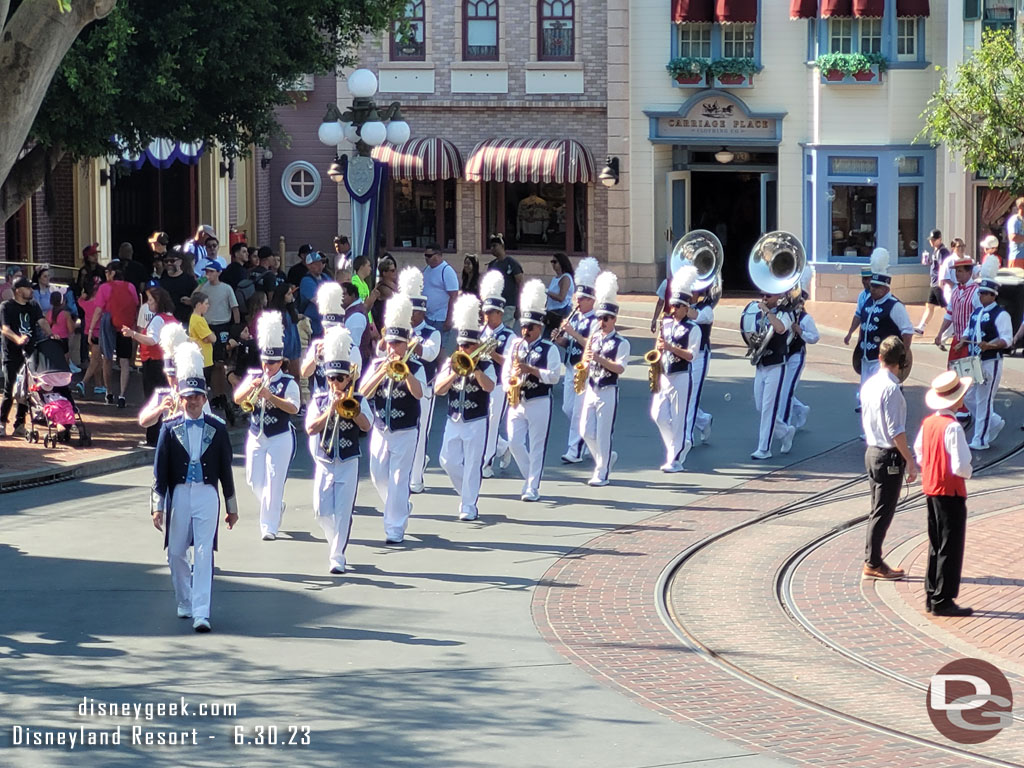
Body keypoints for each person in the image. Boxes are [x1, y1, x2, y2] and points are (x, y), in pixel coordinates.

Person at [152, 341, 238, 633]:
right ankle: (185, 599)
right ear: (181, 396)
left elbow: (226, 469)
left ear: (204, 397)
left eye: (197, 397)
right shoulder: (169, 427)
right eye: (188, 397)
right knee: (175, 552)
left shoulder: (218, 427)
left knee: (204, 552)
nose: (192, 402)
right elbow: (159, 471)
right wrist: (158, 505)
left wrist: (231, 507)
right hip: (179, 493)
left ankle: (203, 611)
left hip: (207, 494)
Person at [360, 293, 426, 544]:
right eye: (389, 343)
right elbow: (364, 392)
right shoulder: (378, 363)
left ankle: (394, 528)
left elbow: (419, 393)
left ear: (406, 344)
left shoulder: (415, 366)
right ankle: (398, 505)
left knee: (399, 478)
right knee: (378, 474)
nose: (392, 348)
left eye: (397, 344)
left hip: (406, 429)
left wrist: (405, 371)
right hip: (380, 427)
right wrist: (380, 372)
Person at [305, 326, 371, 574]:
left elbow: (367, 426)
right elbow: (311, 428)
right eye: (331, 378)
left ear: (349, 379)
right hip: (324, 460)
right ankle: (336, 542)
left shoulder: (359, 400)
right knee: (321, 511)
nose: (334, 383)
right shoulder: (319, 401)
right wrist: (330, 410)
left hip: (348, 461)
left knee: (343, 511)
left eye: (339, 378)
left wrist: (349, 410)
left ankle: (337, 555)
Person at [233, 311, 300, 541]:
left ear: (280, 362)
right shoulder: (255, 376)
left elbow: (294, 408)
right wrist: (251, 387)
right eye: (265, 361)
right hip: (256, 433)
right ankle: (274, 506)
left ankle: (269, 526)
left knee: (273, 480)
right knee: (253, 480)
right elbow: (237, 399)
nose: (267, 365)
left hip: (280, 435)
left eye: (272, 362)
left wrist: (270, 396)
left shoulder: (288, 382)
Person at [913, 370, 975, 617]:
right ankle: (943, 598)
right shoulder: (953, 428)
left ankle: (932, 592)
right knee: (951, 544)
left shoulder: (929, 423)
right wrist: (968, 472)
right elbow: (961, 465)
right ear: (957, 400)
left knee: (936, 542)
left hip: (931, 487)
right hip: (950, 490)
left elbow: (919, 451)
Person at [434, 295, 496, 521]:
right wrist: (453, 373)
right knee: (446, 460)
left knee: (472, 464)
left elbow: (490, 387)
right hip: (454, 418)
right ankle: (468, 493)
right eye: (461, 345)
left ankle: (469, 504)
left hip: (476, 419)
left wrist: (476, 370)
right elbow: (438, 390)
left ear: (477, 345)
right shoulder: (452, 363)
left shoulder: (486, 363)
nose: (463, 348)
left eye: (468, 345)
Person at [860, 336, 916, 581]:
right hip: (888, 455)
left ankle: (873, 558)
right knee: (884, 511)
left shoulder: (870, 383)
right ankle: (873, 562)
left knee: (877, 509)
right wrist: (910, 460)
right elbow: (897, 431)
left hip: (871, 450)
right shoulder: (892, 389)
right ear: (902, 362)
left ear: (880, 358)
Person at [504, 279, 563, 502]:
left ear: (540, 327)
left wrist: (532, 370)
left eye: (530, 327)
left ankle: (532, 487)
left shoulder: (549, 349)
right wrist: (511, 380)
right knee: (514, 442)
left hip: (539, 400)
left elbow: (554, 376)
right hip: (517, 400)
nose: (525, 330)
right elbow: (507, 370)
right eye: (523, 326)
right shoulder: (515, 345)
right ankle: (531, 477)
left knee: (537, 445)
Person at [579, 272, 630, 487]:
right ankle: (605, 459)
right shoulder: (594, 338)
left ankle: (602, 471)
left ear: (614, 319)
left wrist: (599, 358)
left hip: (608, 389)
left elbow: (619, 368)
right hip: (591, 387)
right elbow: (585, 360)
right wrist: (584, 365)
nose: (602, 322)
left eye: (606, 318)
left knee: (602, 433)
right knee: (584, 430)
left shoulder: (621, 342)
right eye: (600, 318)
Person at [650, 266, 701, 473]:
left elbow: (691, 355)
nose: (673, 309)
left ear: (686, 306)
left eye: (678, 305)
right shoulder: (667, 323)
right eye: (673, 304)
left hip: (681, 375)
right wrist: (657, 355)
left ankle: (675, 459)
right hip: (664, 374)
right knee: (658, 414)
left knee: (679, 419)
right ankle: (677, 446)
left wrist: (671, 347)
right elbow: (659, 346)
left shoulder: (693, 329)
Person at [398, 267, 441, 494]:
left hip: (424, 387)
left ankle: (416, 478)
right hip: (400, 386)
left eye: (411, 312)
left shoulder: (431, 332)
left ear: (420, 312)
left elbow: (431, 354)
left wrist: (414, 343)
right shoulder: (398, 332)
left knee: (420, 430)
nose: (408, 316)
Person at [553, 256, 599, 464]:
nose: (577, 303)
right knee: (568, 408)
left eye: (582, 299)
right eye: (577, 299)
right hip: (570, 366)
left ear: (591, 300)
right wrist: (560, 339)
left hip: (585, 369)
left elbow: (590, 343)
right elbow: (570, 343)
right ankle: (592, 438)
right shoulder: (576, 318)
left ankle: (574, 450)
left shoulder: (596, 320)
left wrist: (572, 331)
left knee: (579, 411)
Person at [962, 256, 1010, 450]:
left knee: (983, 400)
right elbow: (969, 331)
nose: (979, 296)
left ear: (992, 295)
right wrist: (962, 342)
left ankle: (980, 439)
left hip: (990, 361)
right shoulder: (976, 312)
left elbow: (1006, 339)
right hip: (974, 361)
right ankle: (994, 421)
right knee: (968, 397)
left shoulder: (1001, 314)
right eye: (980, 292)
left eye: (983, 293)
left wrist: (989, 346)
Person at [851, 249, 914, 392]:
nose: (872, 289)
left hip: (883, 362)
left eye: (877, 287)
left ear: (886, 288)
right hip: (866, 358)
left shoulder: (894, 305)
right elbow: (863, 325)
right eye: (872, 286)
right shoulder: (868, 301)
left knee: (881, 395)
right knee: (866, 396)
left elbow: (907, 331)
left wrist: (902, 354)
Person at [123, 286, 178, 445]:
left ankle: (153, 437)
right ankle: (165, 433)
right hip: (167, 363)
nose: (148, 304)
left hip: (153, 362)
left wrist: (133, 334)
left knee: (153, 399)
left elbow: (152, 340)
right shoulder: (171, 317)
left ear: (159, 302)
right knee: (166, 397)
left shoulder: (158, 319)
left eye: (151, 300)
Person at [1, 278, 51, 436]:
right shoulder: (6, 306)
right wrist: (17, 339)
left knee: (27, 390)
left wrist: (51, 334)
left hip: (30, 352)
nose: (31, 291)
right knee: (10, 389)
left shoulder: (33, 306)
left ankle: (20, 424)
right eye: (28, 288)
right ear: (18, 290)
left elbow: (42, 321)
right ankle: (2, 422)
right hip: (12, 353)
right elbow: (4, 329)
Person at [750, 291, 796, 460]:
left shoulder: (786, 313)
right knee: (760, 407)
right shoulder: (758, 313)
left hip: (776, 365)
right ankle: (784, 431)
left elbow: (780, 329)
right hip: (761, 364)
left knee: (769, 408)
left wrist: (768, 312)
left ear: (777, 296)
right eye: (762, 295)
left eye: (768, 295)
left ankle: (764, 449)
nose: (764, 298)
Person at [479, 270, 515, 478]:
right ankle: (501, 447)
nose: (486, 315)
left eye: (491, 312)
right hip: (481, 382)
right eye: (485, 311)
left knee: (492, 421)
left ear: (500, 313)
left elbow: (510, 363)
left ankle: (486, 463)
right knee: (482, 421)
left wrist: (491, 353)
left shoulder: (508, 335)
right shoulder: (479, 333)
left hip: (500, 383)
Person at [89, 261, 139, 408]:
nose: (105, 275)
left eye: (107, 272)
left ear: (112, 273)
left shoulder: (104, 288)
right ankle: (122, 395)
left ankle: (109, 392)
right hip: (125, 326)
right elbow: (135, 306)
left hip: (108, 324)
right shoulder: (130, 286)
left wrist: (91, 329)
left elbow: (98, 310)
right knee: (124, 362)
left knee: (107, 359)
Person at [780, 279, 820, 436]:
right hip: (783, 355)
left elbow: (815, 337)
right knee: (782, 390)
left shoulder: (805, 319)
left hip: (796, 356)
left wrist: (800, 332)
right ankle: (801, 409)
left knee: (787, 390)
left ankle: (784, 424)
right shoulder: (784, 314)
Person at [301, 281, 348, 397]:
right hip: (320, 400)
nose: (329, 332)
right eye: (327, 328)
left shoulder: (351, 346)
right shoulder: (317, 345)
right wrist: (315, 358)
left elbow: (356, 376)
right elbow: (304, 373)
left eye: (333, 328)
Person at [422, 243, 459, 350]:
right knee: (429, 347)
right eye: (425, 256)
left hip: (441, 318)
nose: (427, 259)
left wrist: (449, 319)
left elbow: (454, 296)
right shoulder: (427, 269)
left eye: (429, 256)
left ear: (438, 255)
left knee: (440, 348)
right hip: (429, 317)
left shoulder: (446, 270)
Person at [915, 229, 951, 335]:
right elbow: (935, 265)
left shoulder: (942, 251)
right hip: (934, 282)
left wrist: (941, 282)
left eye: (934, 239)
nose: (932, 241)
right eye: (931, 239)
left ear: (939, 239)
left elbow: (942, 267)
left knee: (947, 307)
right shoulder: (936, 251)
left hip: (938, 283)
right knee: (930, 306)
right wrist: (929, 262)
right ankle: (921, 327)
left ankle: (956, 325)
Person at [485, 234, 523, 328]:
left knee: (505, 329)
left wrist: (519, 305)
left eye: (494, 246)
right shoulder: (492, 265)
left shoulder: (511, 263)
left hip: (509, 304)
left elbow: (520, 284)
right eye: (491, 246)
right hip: (494, 304)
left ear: (502, 246)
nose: (492, 249)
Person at [76, 275, 104, 397]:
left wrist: (83, 295)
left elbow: (80, 300)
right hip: (97, 333)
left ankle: (99, 385)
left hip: (88, 333)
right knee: (95, 361)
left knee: (97, 360)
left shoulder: (84, 303)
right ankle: (83, 382)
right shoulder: (100, 305)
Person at [160, 247, 198, 324]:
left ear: (180, 262)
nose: (169, 263)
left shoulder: (189, 280)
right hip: (165, 321)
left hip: (184, 320)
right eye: (166, 261)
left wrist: (191, 301)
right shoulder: (162, 281)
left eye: (172, 261)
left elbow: (198, 299)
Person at [298, 250, 331, 338]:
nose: (320, 266)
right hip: (313, 326)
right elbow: (318, 300)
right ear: (309, 266)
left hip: (327, 324)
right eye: (316, 264)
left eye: (321, 263)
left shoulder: (325, 277)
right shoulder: (306, 281)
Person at [544, 252, 575, 338]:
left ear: (562, 263)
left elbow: (561, 297)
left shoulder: (565, 278)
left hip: (560, 310)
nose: (553, 264)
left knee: (549, 337)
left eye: (555, 262)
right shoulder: (555, 278)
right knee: (548, 336)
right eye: (552, 262)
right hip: (551, 311)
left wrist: (546, 291)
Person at [187, 291, 216, 385]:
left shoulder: (197, 318)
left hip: (204, 359)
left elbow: (209, 337)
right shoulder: (198, 320)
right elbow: (213, 338)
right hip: (204, 360)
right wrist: (210, 336)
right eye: (206, 303)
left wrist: (209, 337)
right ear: (199, 304)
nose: (208, 306)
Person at [342, 281, 371, 371]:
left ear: (353, 296)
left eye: (344, 295)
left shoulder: (356, 315)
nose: (340, 298)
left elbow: (353, 346)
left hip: (356, 366)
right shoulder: (352, 311)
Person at [47, 291, 75, 362]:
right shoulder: (66, 314)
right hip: (63, 340)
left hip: (51, 339)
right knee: (64, 363)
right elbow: (71, 330)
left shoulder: (48, 314)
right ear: (62, 301)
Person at [1006, 197, 1024, 269]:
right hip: (1017, 257)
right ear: (1020, 206)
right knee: (1017, 279)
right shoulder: (1014, 220)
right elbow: (1013, 237)